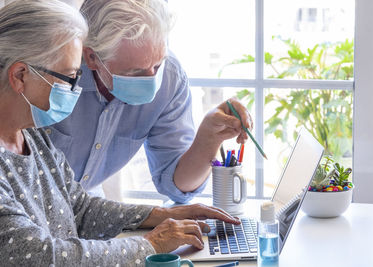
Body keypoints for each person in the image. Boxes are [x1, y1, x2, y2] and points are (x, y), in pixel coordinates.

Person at [0, 1, 240, 266]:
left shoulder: (31, 136)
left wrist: (160, 215)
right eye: (69, 78)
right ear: (21, 75)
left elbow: (79, 208)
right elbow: (38, 256)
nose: (75, 89)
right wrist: (151, 244)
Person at [49, 0, 253, 203]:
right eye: (135, 72)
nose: (151, 79)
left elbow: (176, 187)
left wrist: (209, 138)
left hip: (86, 206)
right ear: (92, 57)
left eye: (157, 65)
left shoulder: (171, 78)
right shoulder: (51, 76)